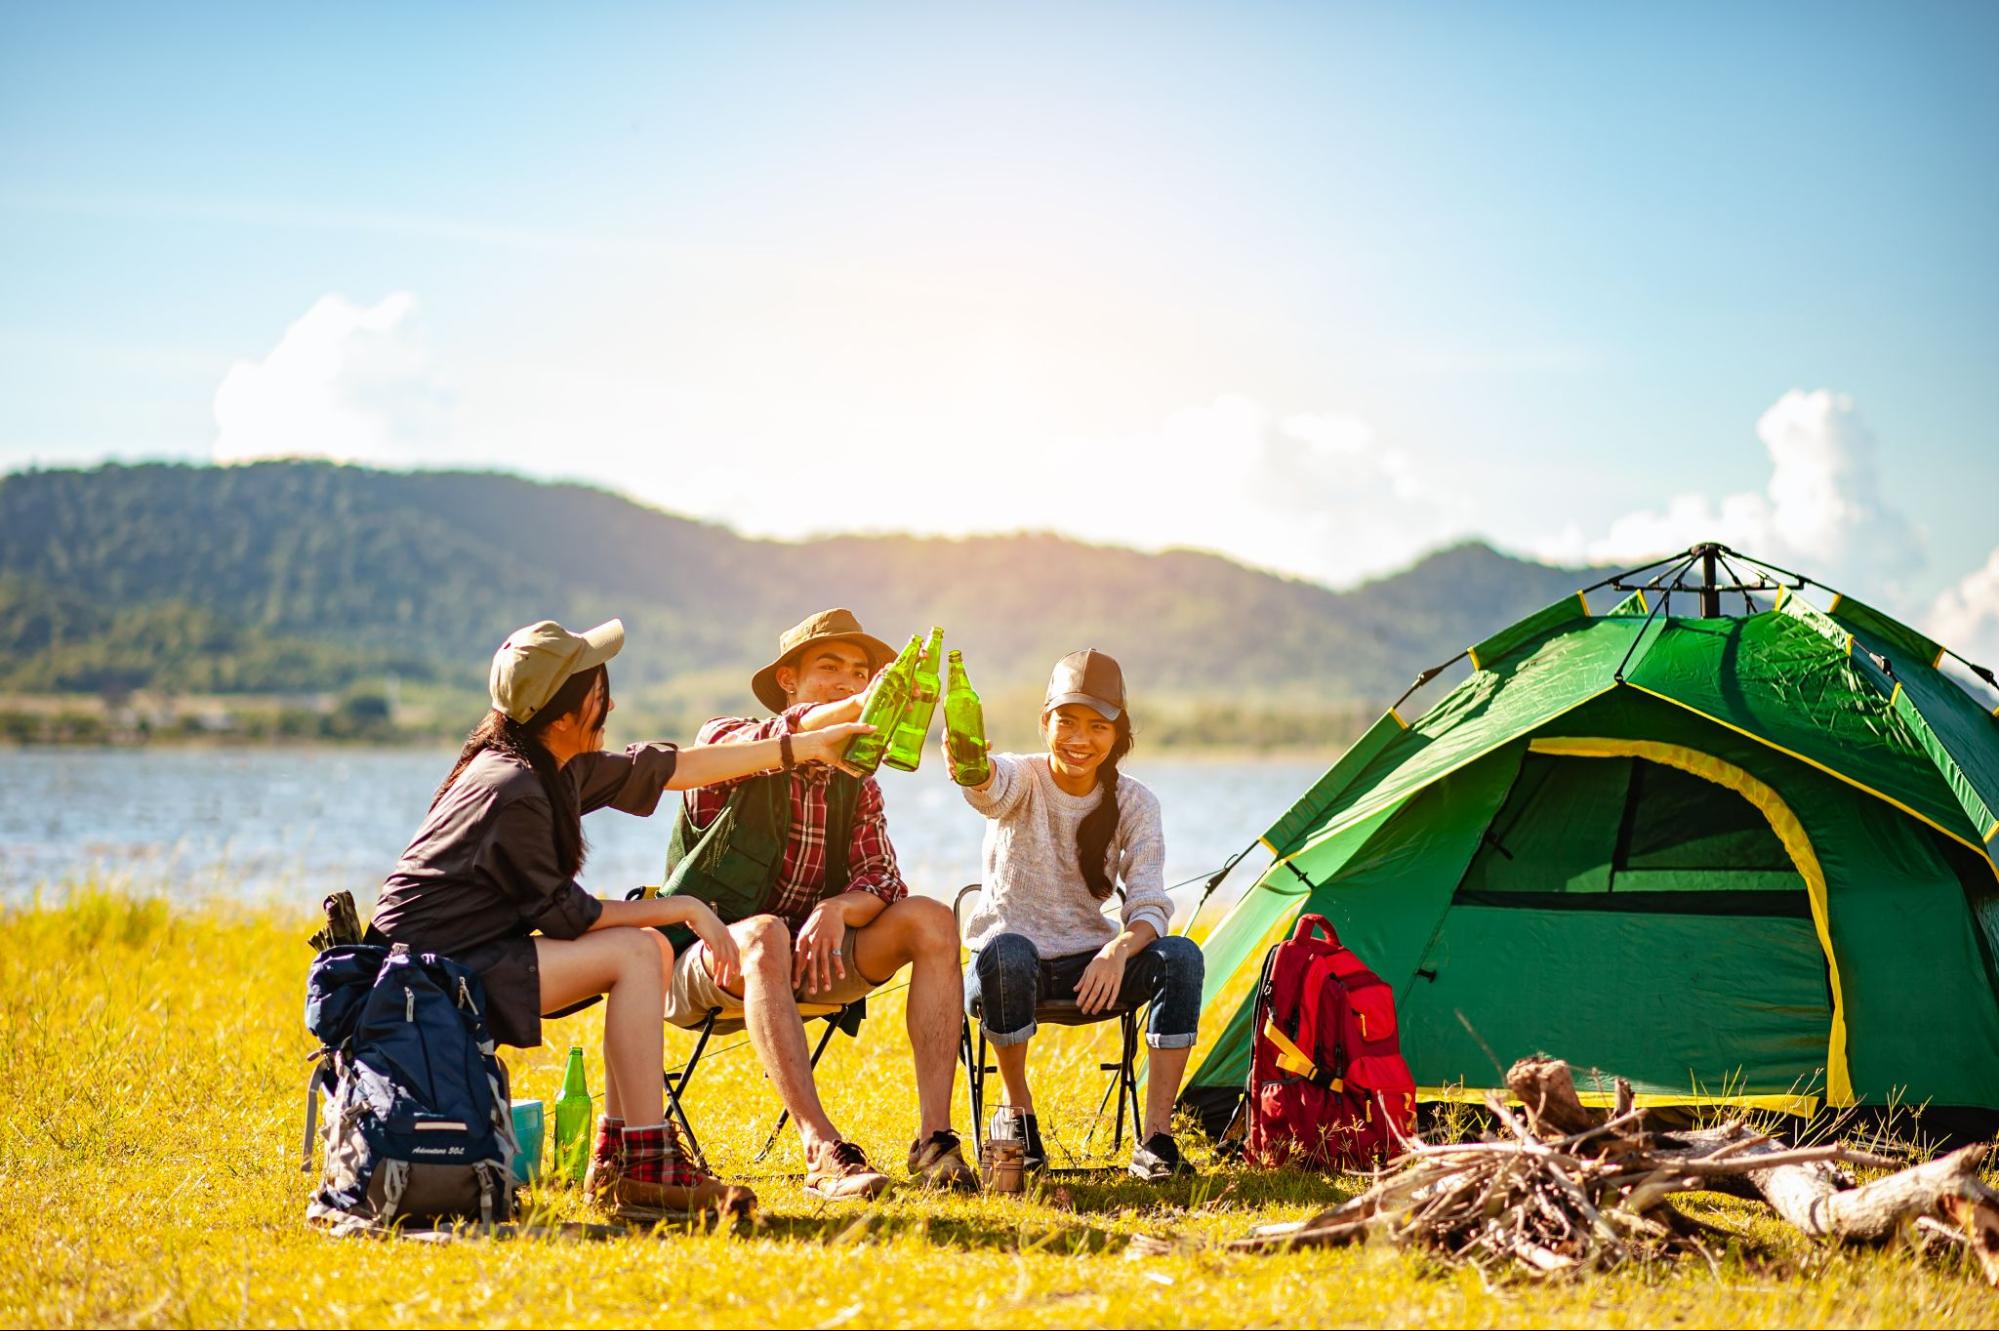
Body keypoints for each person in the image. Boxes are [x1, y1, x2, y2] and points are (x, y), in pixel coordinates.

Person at [370, 617, 870, 1217]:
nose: (611, 702)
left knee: (646, 949)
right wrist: (686, 906)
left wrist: (804, 747)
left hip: (464, 956)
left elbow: (675, 767)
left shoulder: (549, 763)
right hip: (425, 978)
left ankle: (624, 1158)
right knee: (638, 950)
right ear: (561, 716)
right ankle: (641, 1162)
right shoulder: (515, 787)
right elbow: (566, 916)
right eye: (598, 691)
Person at [661, 608, 977, 1199]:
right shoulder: (727, 740)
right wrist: (850, 715)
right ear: (788, 681)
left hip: (809, 962)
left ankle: (935, 1140)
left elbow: (881, 879)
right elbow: (780, 733)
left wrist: (836, 908)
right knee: (763, 934)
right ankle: (820, 1148)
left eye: (861, 674)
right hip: (702, 962)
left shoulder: (858, 781)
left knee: (931, 919)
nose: (848, 682)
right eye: (829, 667)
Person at [957, 648, 1205, 1181]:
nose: (1079, 738)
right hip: (1002, 972)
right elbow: (987, 788)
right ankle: (1017, 1116)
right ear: (1044, 723)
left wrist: (1117, 950)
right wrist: (970, 765)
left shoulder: (1136, 803)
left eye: (1097, 726)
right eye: (1066, 721)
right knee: (1009, 950)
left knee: (1181, 955)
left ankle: (1156, 1139)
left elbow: (1148, 903)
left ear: (1118, 736)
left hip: (1090, 970)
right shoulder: (1021, 778)